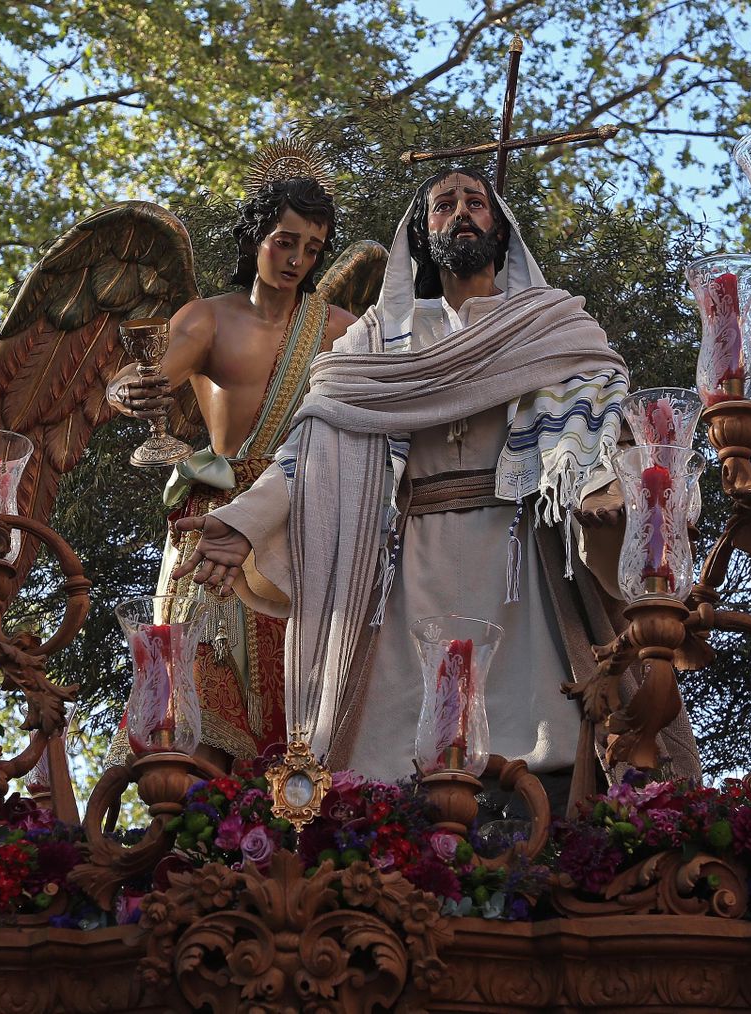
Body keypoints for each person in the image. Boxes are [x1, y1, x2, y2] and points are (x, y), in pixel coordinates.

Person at [175, 166, 700, 800]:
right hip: (407, 574)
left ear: (500, 230)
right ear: (422, 236)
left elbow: (600, 419)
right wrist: (245, 520)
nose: (460, 214)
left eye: (475, 203)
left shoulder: (549, 327)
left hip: (516, 565)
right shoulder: (380, 339)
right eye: (442, 206)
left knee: (540, 737)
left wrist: (606, 489)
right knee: (392, 755)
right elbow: (314, 438)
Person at [106, 176, 357, 770]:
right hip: (214, 510)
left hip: (294, 513)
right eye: (285, 241)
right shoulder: (209, 319)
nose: (297, 260)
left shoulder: (343, 332)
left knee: (300, 683)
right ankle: (188, 811)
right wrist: (128, 392)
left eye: (312, 249)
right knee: (195, 677)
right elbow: (144, 375)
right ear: (255, 238)